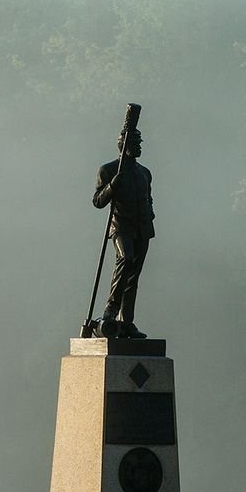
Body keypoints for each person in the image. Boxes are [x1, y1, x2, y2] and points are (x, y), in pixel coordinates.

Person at [92, 127, 154, 339]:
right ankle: (111, 309)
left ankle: (126, 321)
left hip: (142, 228)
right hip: (120, 227)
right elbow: (98, 202)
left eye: (140, 144)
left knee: (133, 276)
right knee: (125, 260)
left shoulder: (144, 173)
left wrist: (150, 214)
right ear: (124, 145)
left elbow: (148, 198)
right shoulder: (108, 170)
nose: (139, 147)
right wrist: (111, 187)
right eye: (135, 144)